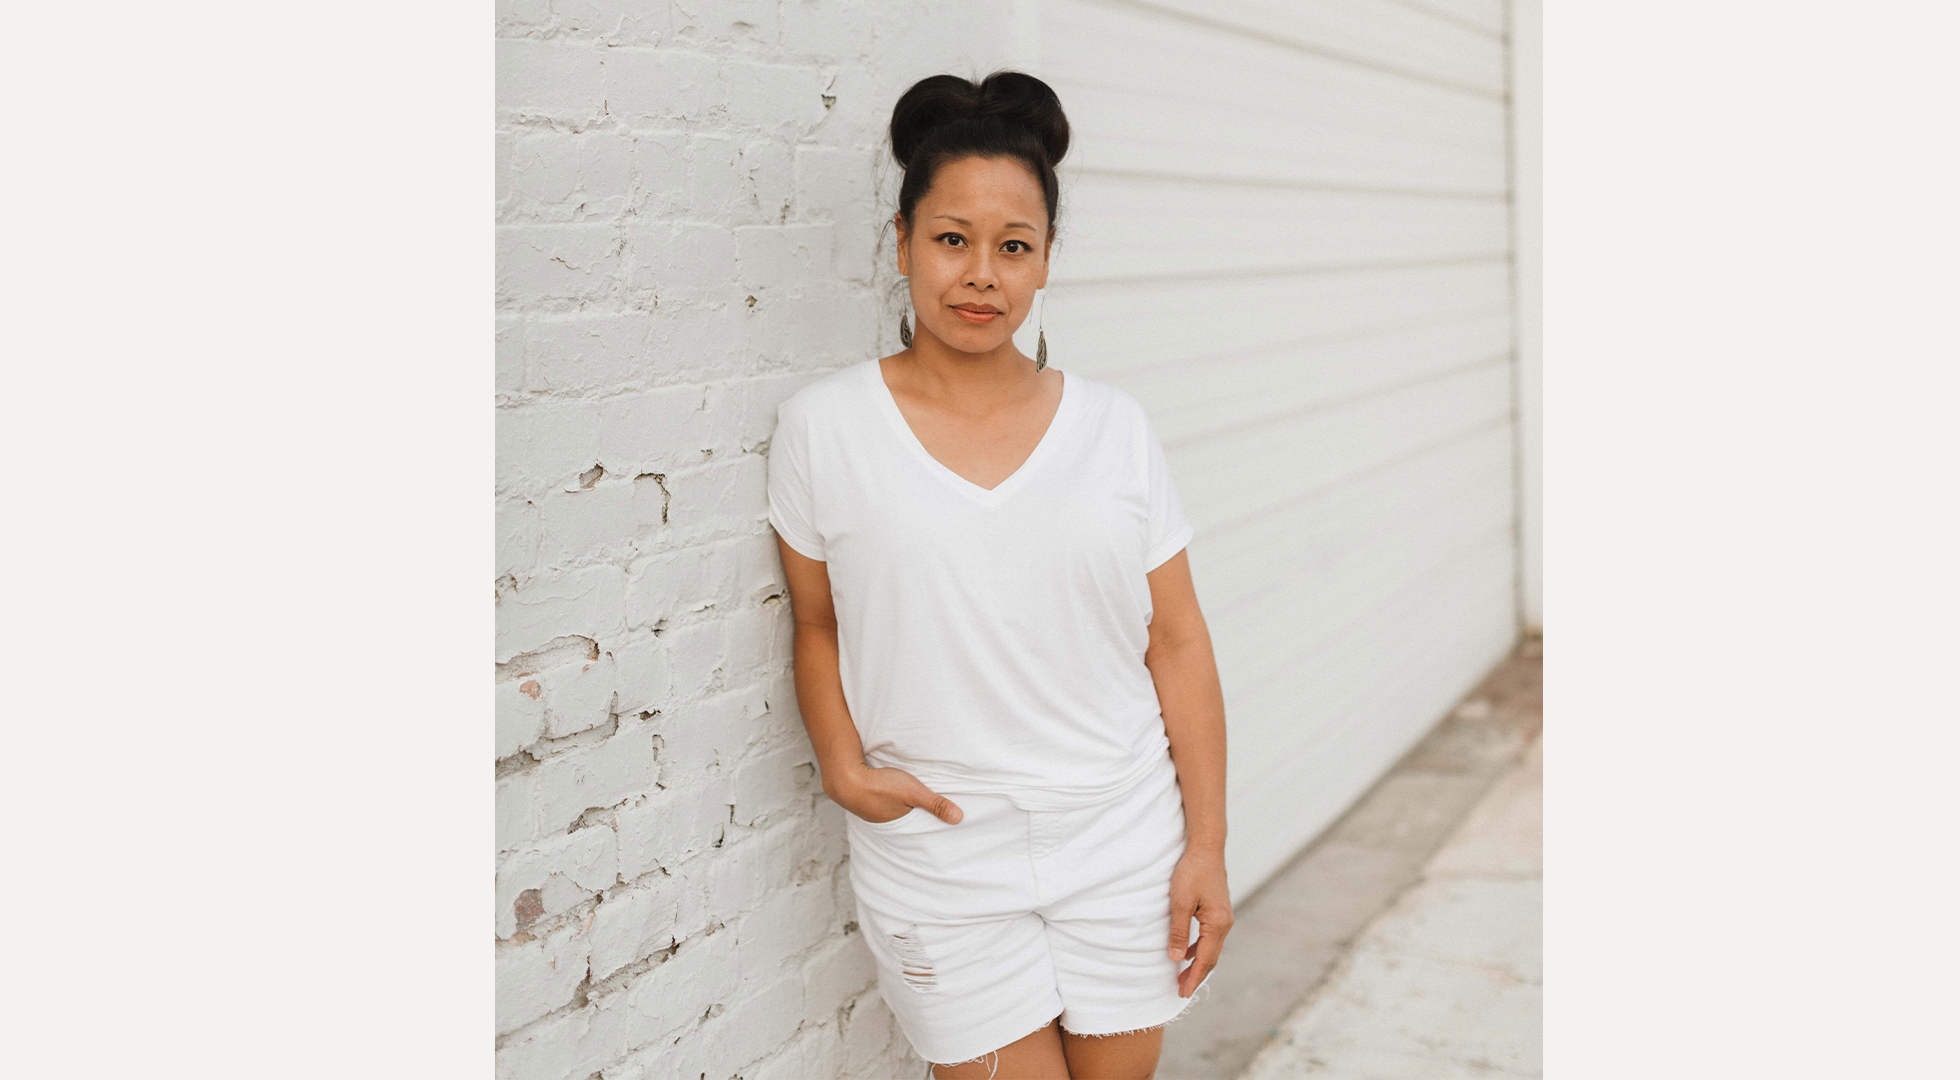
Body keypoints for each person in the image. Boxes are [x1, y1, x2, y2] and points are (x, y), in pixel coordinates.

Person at [766, 70, 1232, 1080]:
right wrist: (841, 765)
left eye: (1012, 246)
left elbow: (1178, 641)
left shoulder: (1115, 428)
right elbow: (816, 624)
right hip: (941, 853)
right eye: (951, 238)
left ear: (1046, 262)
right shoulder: (824, 429)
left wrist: (1207, 846)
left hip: (1121, 840)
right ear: (901, 242)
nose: (981, 273)